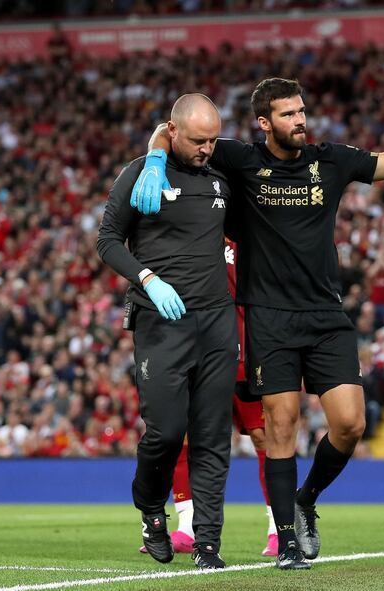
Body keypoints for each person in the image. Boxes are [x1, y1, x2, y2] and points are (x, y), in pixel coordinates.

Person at [129, 53, 384, 569]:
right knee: (279, 427)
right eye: (288, 114)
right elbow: (174, 131)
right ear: (264, 122)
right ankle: (287, 543)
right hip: (266, 316)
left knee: (350, 424)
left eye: (302, 110)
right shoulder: (239, 160)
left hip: (325, 315)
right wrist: (155, 157)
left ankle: (306, 499)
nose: (300, 120)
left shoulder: (330, 160)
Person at [96, 93, 237, 570]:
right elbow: (107, 240)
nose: (207, 149)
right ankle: (152, 511)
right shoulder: (142, 173)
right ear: (172, 132)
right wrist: (148, 279)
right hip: (162, 321)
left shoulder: (221, 174)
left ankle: (208, 543)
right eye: (198, 140)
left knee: (214, 435)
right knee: (166, 431)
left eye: (213, 139)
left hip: (217, 320)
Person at [139, 238, 278, 558]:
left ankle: (278, 527)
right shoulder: (190, 230)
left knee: (263, 436)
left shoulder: (248, 233)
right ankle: (186, 528)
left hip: (245, 347)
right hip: (195, 349)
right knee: (181, 435)